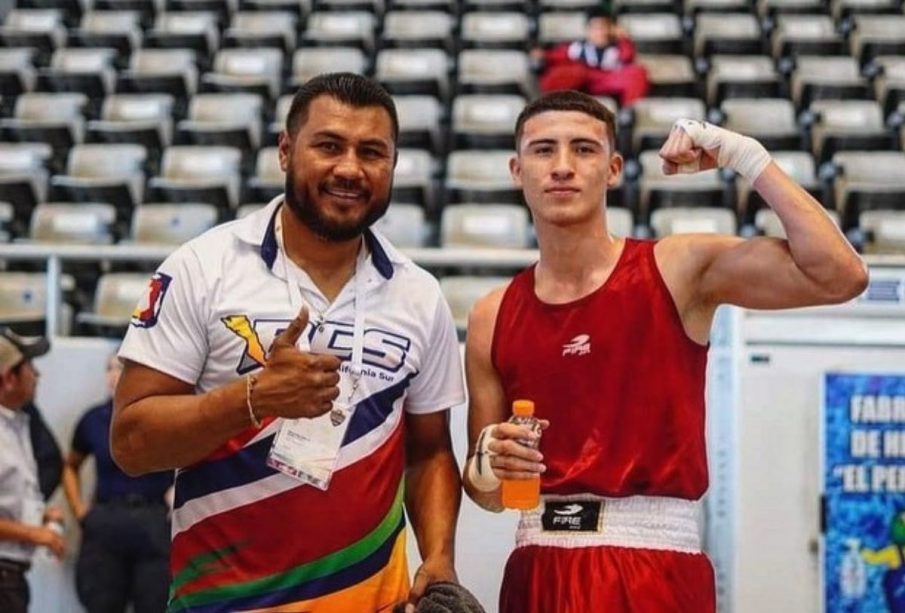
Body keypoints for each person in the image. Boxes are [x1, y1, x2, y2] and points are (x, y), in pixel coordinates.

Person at [462, 90, 869, 612]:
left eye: (583, 149)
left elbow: (841, 275)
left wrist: (747, 157)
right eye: (544, 150)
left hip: (653, 568)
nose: (562, 166)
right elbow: (488, 493)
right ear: (517, 170)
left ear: (612, 169)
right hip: (535, 567)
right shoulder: (491, 314)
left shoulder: (676, 269)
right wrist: (488, 463)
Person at [111, 72, 465, 613]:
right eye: (328, 145)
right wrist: (251, 399)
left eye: (372, 152)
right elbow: (131, 444)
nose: (349, 168)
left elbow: (430, 450)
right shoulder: (203, 268)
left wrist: (438, 557)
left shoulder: (418, 294)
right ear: (284, 150)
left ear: (392, 165)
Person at [63, 352, 173, 613]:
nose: (116, 375)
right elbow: (70, 465)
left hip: (154, 521)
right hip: (107, 520)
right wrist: (80, 511)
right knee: (102, 604)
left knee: (155, 604)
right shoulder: (93, 419)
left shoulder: (165, 415)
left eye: (124, 368)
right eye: (111, 368)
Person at [0, 328, 65, 613]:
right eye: (29, 367)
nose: (37, 376)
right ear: (8, 378)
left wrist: (40, 517)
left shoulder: (17, 424)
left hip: (10, 576)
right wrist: (33, 534)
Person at [531, 6, 649, 106]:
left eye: (604, 27)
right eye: (596, 28)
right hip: (583, 82)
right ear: (587, 31)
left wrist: (623, 38)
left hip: (606, 80)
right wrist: (542, 55)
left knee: (637, 73)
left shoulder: (616, 49)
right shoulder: (578, 49)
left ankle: (628, 116)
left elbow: (627, 58)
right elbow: (557, 56)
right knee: (568, 72)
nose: (601, 33)